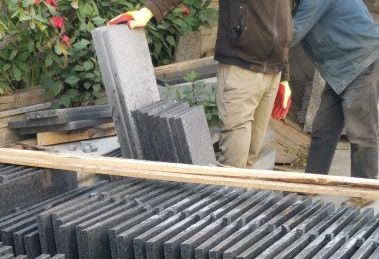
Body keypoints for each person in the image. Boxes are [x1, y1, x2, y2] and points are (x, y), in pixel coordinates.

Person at [109, 1, 292, 168]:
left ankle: (239, 193)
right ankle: (224, 193)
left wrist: (284, 76)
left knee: (251, 157)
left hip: (273, 72)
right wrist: (148, 11)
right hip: (241, 68)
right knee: (234, 163)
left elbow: (283, 18)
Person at [291, 0, 379, 179]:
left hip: (360, 62)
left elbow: (292, 33)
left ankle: (362, 189)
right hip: (339, 71)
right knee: (323, 131)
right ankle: (311, 184)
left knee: (361, 135)